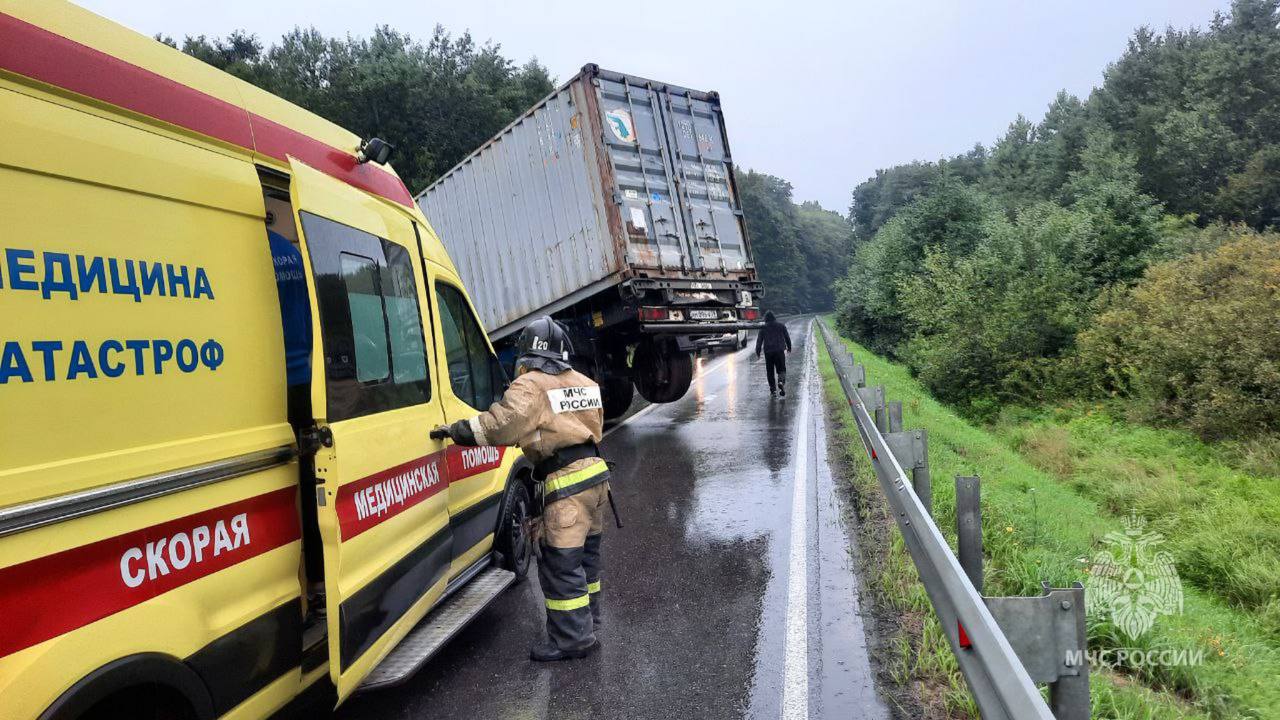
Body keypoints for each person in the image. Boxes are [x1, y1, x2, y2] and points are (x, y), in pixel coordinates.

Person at [432, 317, 610, 662]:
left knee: (561, 564)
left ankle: (572, 641)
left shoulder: (530, 384)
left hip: (566, 484)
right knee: (586, 560)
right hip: (597, 480)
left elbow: (500, 426)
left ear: (527, 355)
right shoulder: (585, 382)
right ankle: (588, 624)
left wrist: (456, 431)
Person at [754, 311, 792, 397]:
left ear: (766, 319)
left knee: (770, 371)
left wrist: (758, 352)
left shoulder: (763, 328)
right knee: (781, 369)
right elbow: (787, 337)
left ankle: (773, 390)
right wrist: (789, 347)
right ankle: (781, 381)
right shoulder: (781, 326)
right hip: (779, 351)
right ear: (774, 318)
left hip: (768, 352)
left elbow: (759, 341)